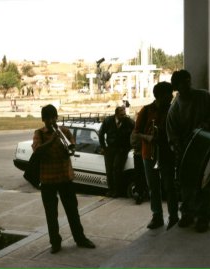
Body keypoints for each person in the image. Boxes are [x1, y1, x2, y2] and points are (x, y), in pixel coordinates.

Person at [32, 104, 95, 254]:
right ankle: (55, 242)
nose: (51, 121)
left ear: (57, 117)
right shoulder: (38, 133)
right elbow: (37, 151)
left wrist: (67, 144)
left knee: (72, 211)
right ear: (43, 119)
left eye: (53, 118)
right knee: (51, 214)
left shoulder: (65, 131)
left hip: (65, 178)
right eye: (48, 119)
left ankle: (80, 238)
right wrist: (52, 140)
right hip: (47, 180)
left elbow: (72, 147)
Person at [166, 69, 210, 233]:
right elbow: (172, 136)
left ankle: (204, 217)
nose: (188, 85)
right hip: (186, 152)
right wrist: (177, 148)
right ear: (176, 86)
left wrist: (208, 124)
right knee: (186, 186)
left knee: (206, 184)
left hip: (207, 148)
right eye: (183, 83)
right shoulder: (174, 109)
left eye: (189, 81)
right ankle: (188, 214)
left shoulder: (204, 97)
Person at [134, 82, 179, 230]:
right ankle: (157, 216)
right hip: (150, 154)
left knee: (170, 187)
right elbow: (136, 133)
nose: (171, 97)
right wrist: (148, 138)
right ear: (159, 96)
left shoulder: (173, 110)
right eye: (169, 94)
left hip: (167, 153)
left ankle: (173, 217)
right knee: (153, 187)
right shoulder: (146, 111)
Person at [99, 106, 135, 197]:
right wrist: (103, 147)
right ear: (116, 114)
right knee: (109, 170)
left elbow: (136, 131)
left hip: (122, 149)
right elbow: (101, 133)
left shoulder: (129, 122)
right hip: (110, 148)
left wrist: (131, 145)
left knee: (117, 169)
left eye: (125, 114)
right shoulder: (108, 121)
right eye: (122, 114)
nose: (124, 116)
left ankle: (117, 191)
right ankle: (110, 190)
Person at [130, 132, 150, 205]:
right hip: (139, 155)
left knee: (142, 174)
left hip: (142, 155)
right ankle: (140, 193)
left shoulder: (137, 131)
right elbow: (133, 143)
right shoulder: (136, 131)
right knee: (139, 174)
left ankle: (141, 193)